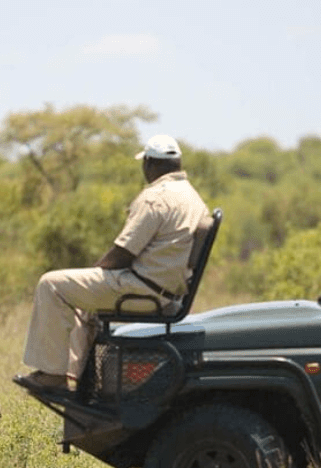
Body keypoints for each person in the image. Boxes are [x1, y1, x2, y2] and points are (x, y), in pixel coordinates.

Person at [16, 134, 211, 392]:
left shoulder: (156, 198)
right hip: (167, 292)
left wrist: (95, 272)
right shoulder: (192, 196)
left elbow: (122, 254)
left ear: (150, 164)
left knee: (51, 284)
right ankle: (76, 377)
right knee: (83, 295)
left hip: (141, 289)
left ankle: (53, 374)